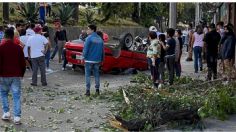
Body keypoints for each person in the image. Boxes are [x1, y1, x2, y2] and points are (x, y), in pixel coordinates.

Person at [0, 28, 26, 125]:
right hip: (16, 75)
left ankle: (6, 113)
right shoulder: (18, 48)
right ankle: (17, 117)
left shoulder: (1, 48)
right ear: (13, 37)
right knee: (16, 96)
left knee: (3, 94)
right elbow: (22, 63)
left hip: (3, 75)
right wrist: (22, 74)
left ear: (5, 36)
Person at [83, 24, 104, 96]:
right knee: (97, 75)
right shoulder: (100, 39)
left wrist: (83, 57)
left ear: (92, 30)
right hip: (97, 60)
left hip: (88, 60)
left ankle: (88, 91)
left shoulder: (88, 38)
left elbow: (85, 49)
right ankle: (97, 90)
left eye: (88, 29)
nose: (87, 30)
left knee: (88, 75)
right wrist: (102, 59)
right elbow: (102, 51)